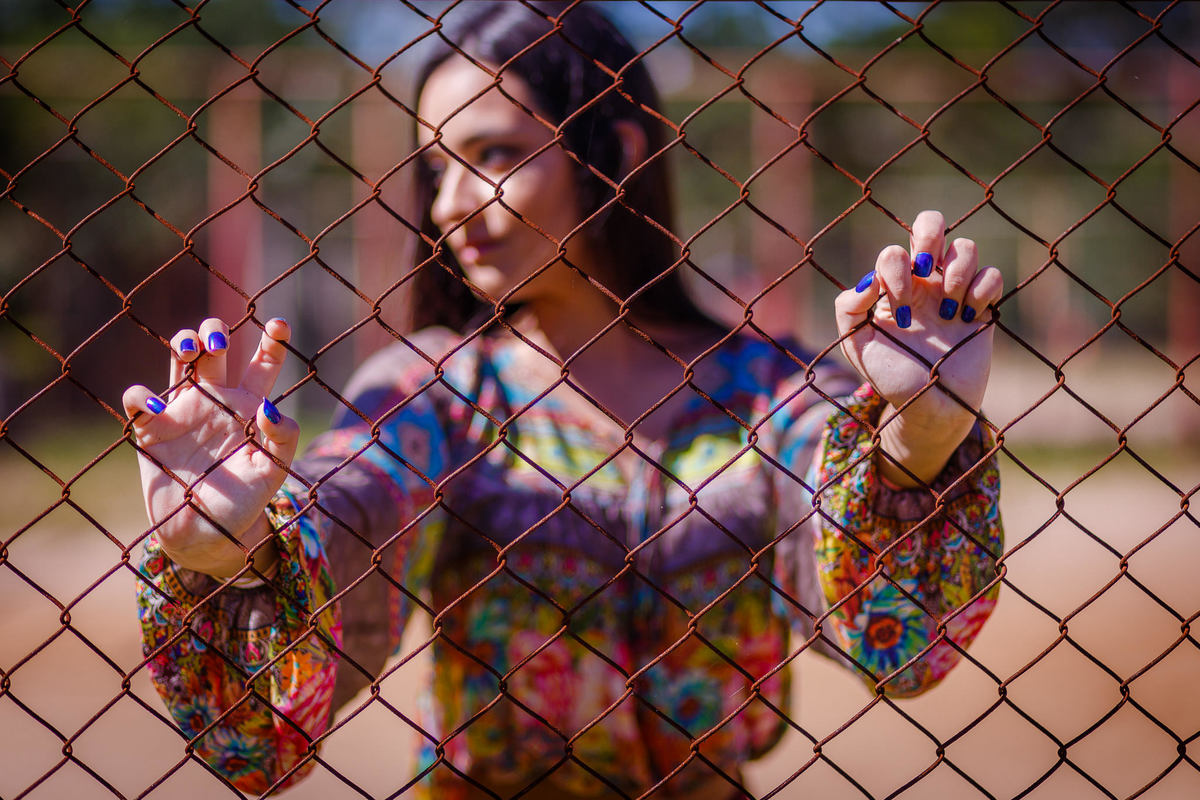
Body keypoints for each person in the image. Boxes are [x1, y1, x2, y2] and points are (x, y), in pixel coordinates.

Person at [127, 4, 1004, 799]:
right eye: (437, 167)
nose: (448, 205)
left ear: (615, 153)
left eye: (496, 155)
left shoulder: (768, 387)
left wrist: (915, 441)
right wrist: (241, 552)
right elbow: (356, 492)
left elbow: (890, 621)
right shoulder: (435, 391)